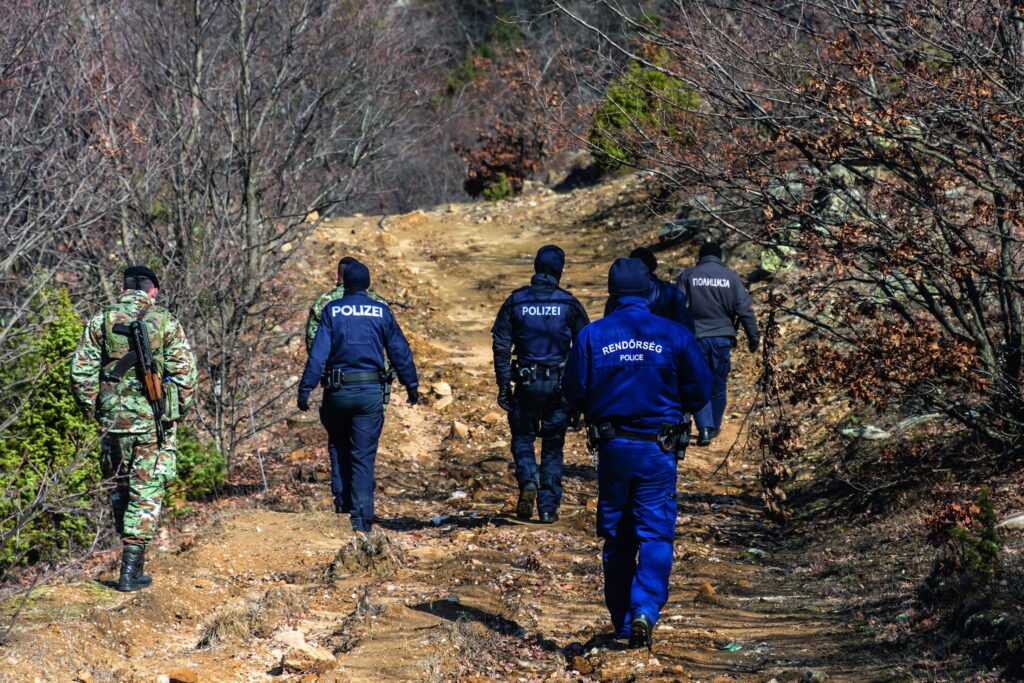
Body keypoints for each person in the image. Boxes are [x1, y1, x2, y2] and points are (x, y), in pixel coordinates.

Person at [563, 258, 711, 650]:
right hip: (657, 450)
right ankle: (645, 610)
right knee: (656, 533)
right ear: (648, 291)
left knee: (617, 536)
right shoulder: (675, 335)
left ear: (611, 293)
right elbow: (700, 392)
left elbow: (574, 392)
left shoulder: (593, 336)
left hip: (612, 448)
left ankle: (625, 621)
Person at [70, 265, 198, 592]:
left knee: (120, 486)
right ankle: (130, 570)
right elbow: (185, 376)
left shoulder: (101, 320)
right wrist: (174, 413)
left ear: (123, 288)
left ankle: (130, 565)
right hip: (150, 422)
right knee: (147, 490)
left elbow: (82, 372)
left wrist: (93, 410)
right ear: (152, 291)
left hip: (112, 422)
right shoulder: (166, 321)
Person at [298, 260, 418, 534]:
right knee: (363, 455)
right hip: (370, 395)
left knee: (338, 443)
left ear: (343, 282)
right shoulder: (381, 311)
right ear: (367, 284)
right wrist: (411, 385)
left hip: (337, 392)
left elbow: (318, 356)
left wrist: (305, 390)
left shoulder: (331, 310)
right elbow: (400, 350)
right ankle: (362, 519)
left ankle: (342, 501)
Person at [491, 245, 590, 523]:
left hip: (525, 383)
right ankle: (548, 508)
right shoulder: (569, 303)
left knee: (522, 437)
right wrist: (580, 394)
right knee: (553, 445)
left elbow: (500, 345)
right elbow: (586, 349)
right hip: (559, 385)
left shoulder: (516, 301)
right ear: (559, 271)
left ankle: (528, 482)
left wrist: (503, 385)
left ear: (536, 268)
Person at [306, 255, 389, 513]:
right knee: (364, 449)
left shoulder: (324, 304)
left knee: (338, 444)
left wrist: (312, 381)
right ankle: (362, 505)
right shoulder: (378, 303)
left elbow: (314, 346)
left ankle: (343, 501)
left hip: (336, 386)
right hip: (372, 387)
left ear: (337, 277)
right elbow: (390, 345)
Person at [677, 242, 759, 446]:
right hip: (722, 339)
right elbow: (745, 311)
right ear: (719, 257)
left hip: (695, 339)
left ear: (701, 257)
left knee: (699, 382)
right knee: (718, 385)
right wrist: (753, 338)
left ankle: (703, 428)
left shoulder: (688, 275)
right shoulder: (731, 278)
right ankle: (714, 427)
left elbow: (676, 306)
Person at [306, 256, 388, 353]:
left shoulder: (323, 303)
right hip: (375, 365)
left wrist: (324, 365)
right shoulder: (379, 302)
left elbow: (312, 340)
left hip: (336, 366)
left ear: (337, 275)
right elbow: (392, 341)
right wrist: (386, 366)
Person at [604, 247, 694, 332]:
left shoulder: (615, 297)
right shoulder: (671, 293)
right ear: (654, 269)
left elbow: (607, 328)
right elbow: (687, 329)